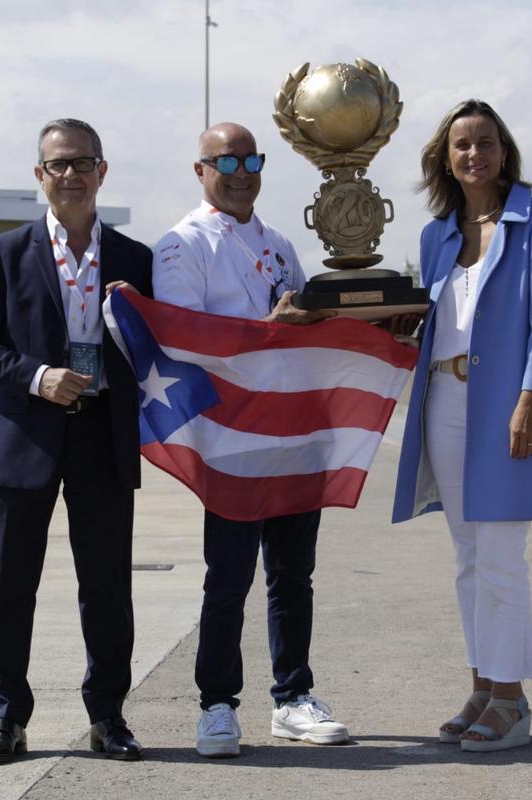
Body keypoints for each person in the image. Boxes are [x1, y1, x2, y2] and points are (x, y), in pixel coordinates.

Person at [390, 99, 532, 752]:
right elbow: (429, 321)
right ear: (444, 158)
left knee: (502, 554)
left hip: (506, 405)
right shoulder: (436, 235)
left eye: (485, 141)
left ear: (504, 151)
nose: (473, 153)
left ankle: (510, 701)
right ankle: (484, 685)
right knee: (468, 558)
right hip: (443, 403)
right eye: (461, 145)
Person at [0, 118, 153, 764]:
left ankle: (108, 717)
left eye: (82, 162)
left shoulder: (134, 258)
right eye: (58, 164)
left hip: (103, 437)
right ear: (39, 176)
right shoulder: (4, 254)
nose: (70, 174)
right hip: (25, 438)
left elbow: (160, 347)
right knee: (12, 588)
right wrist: (38, 378)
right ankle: (7, 717)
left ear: (102, 171)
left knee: (107, 589)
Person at [152, 122, 350, 758]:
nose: (241, 171)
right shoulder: (182, 246)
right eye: (226, 160)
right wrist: (271, 325)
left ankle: (293, 696)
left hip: (291, 431)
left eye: (251, 159)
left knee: (294, 575)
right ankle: (216, 704)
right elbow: (184, 340)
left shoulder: (283, 244)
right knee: (229, 576)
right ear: (200, 169)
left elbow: (312, 324)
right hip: (231, 438)